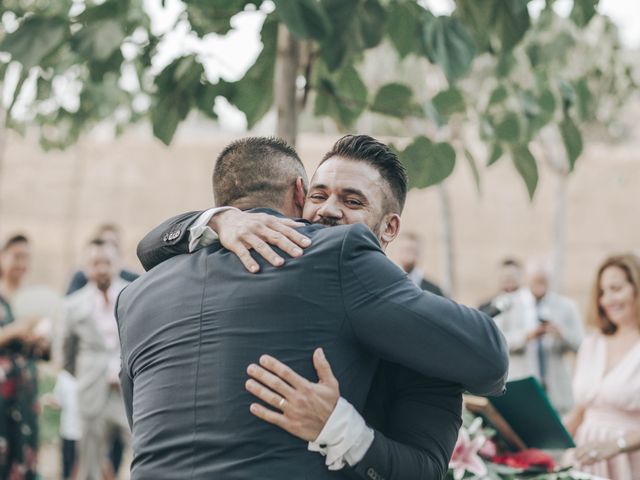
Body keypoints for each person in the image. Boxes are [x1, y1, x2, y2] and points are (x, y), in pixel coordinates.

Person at [123, 135, 508, 479]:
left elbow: (425, 464)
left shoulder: (135, 295)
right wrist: (221, 219)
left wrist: (341, 428)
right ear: (299, 196)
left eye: (353, 200)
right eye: (318, 196)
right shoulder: (319, 258)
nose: (327, 211)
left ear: (390, 228)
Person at [564, 254, 640, 480]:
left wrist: (617, 445)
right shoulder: (591, 344)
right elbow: (580, 411)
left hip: (630, 462)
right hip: (583, 461)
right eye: (602, 292)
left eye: (615, 288)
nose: (607, 300)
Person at [62, 239, 131, 480]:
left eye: (107, 262)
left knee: (140, 451)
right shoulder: (72, 305)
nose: (101, 268)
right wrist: (87, 376)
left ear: (119, 263)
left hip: (128, 393)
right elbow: (66, 355)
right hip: (92, 392)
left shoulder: (133, 295)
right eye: (95, 263)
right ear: (86, 266)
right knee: (89, 462)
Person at [0, 234, 48, 479]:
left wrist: (39, 342)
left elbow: (46, 353)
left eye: (26, 257)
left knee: (24, 451)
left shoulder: (32, 299)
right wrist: (16, 330)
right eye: (16, 256)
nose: (21, 263)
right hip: (1, 393)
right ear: (2, 257)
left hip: (26, 390)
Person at [66, 224, 138, 296]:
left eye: (113, 243)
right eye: (104, 242)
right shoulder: (80, 277)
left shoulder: (132, 278)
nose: (102, 270)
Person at [390, 232, 445, 296]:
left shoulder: (434, 291)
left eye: (411, 250)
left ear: (418, 254)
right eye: (405, 250)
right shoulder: (390, 287)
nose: (407, 254)